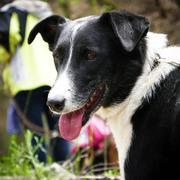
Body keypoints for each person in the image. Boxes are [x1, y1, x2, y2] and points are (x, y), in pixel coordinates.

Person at [0, 0, 70, 163]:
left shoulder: (11, 14)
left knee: (35, 132)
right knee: (60, 129)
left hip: (26, 81)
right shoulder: (48, 15)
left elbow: (7, 41)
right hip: (54, 80)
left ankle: (41, 170)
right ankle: (65, 169)